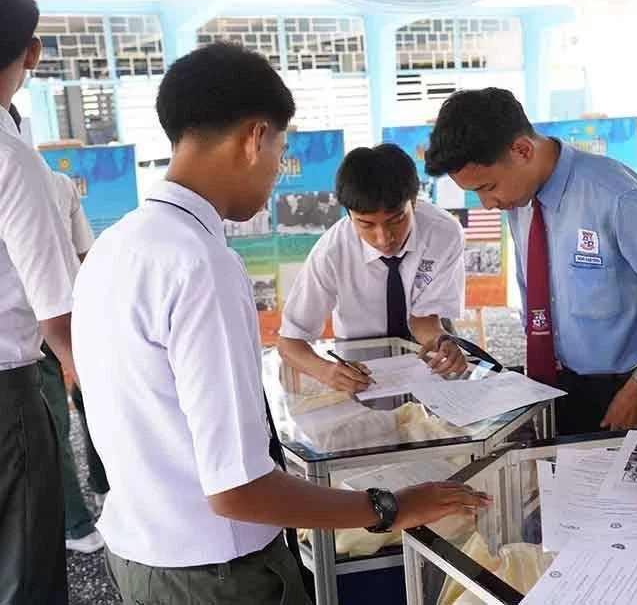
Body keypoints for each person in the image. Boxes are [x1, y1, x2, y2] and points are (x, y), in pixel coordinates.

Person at [71, 43, 490, 605]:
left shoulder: (116, 245)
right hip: (219, 572)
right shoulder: (202, 265)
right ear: (254, 138)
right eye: (280, 150)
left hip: (144, 554)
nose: (276, 174)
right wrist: (392, 507)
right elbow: (238, 487)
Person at [425, 88, 637, 435]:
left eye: (488, 187)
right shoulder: (520, 201)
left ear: (522, 150)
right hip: (551, 383)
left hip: (627, 392)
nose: (487, 203)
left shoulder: (616, 198)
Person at [0, 0, 79, 605]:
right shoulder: (12, 158)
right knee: (26, 571)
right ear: (33, 51)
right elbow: (61, 320)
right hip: (6, 398)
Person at [278, 143, 468, 391]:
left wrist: (442, 343)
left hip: (424, 358)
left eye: (397, 220)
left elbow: (425, 319)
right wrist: (325, 371)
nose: (383, 238)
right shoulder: (332, 252)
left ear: (414, 202)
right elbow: (289, 341)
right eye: (366, 225)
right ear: (348, 214)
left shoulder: (443, 233)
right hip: (360, 365)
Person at [35, 170, 106, 553]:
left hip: (26, 325)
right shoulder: (59, 183)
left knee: (52, 424)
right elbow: (86, 255)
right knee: (92, 403)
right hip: (75, 311)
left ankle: (78, 527)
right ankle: (105, 489)